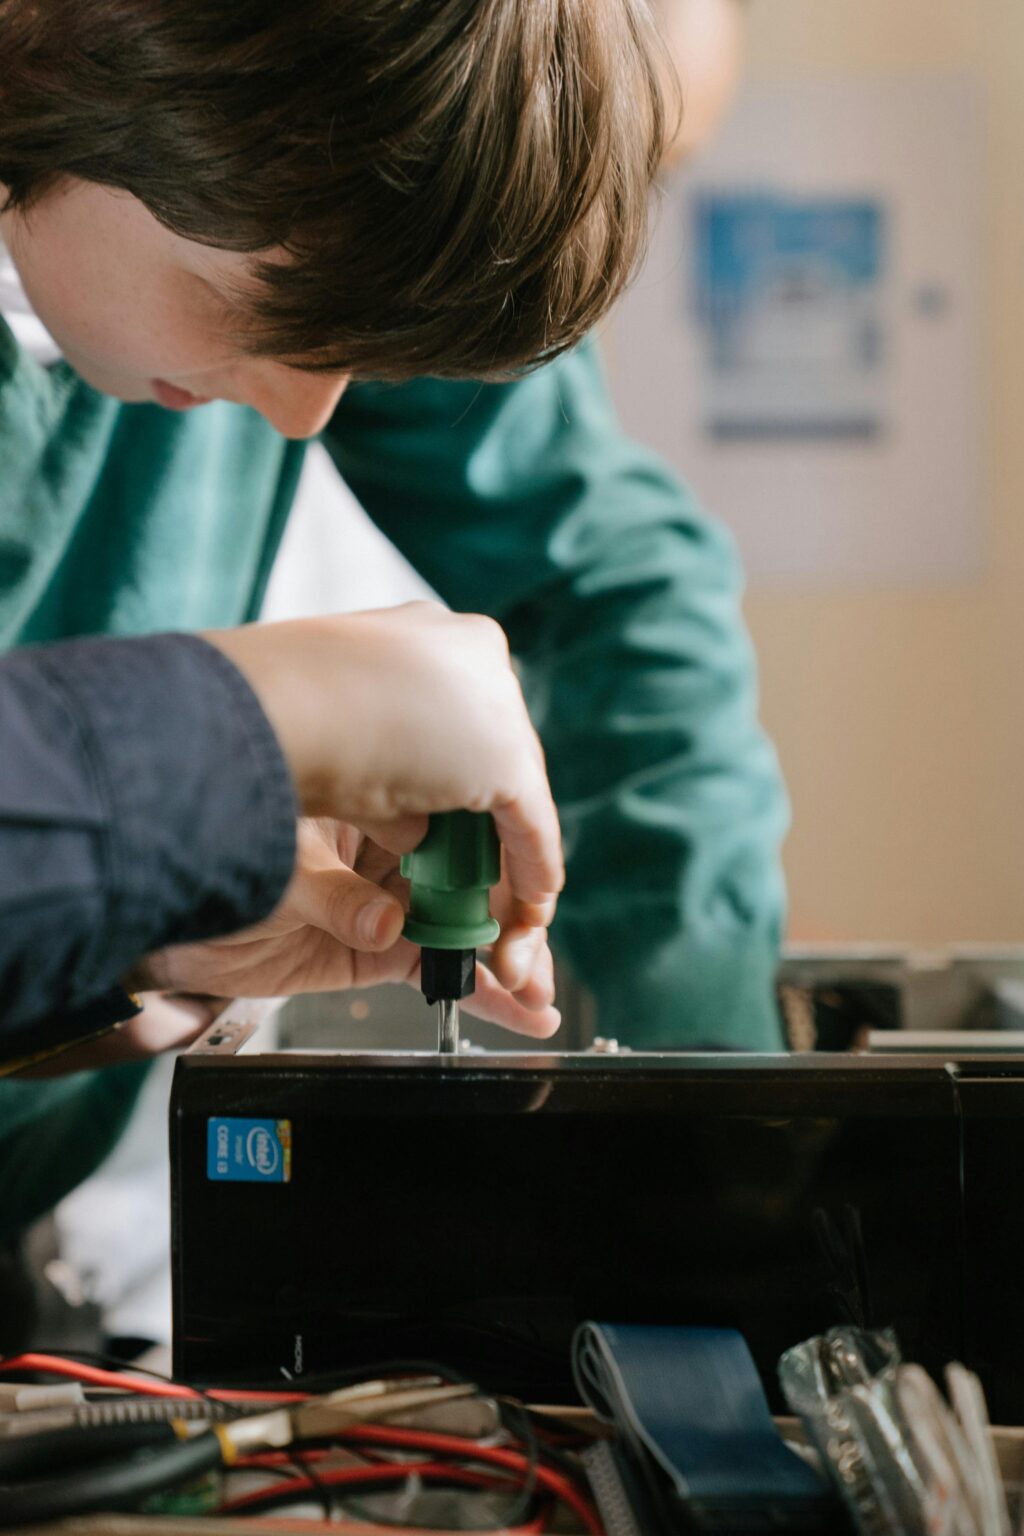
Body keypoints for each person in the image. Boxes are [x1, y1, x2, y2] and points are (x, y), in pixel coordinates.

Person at [0, 0, 786, 1236]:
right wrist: (258, 725)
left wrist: (710, 1111)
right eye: (240, 302)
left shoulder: (295, 208)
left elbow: (606, 578)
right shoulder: (228, 111)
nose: (309, 419)